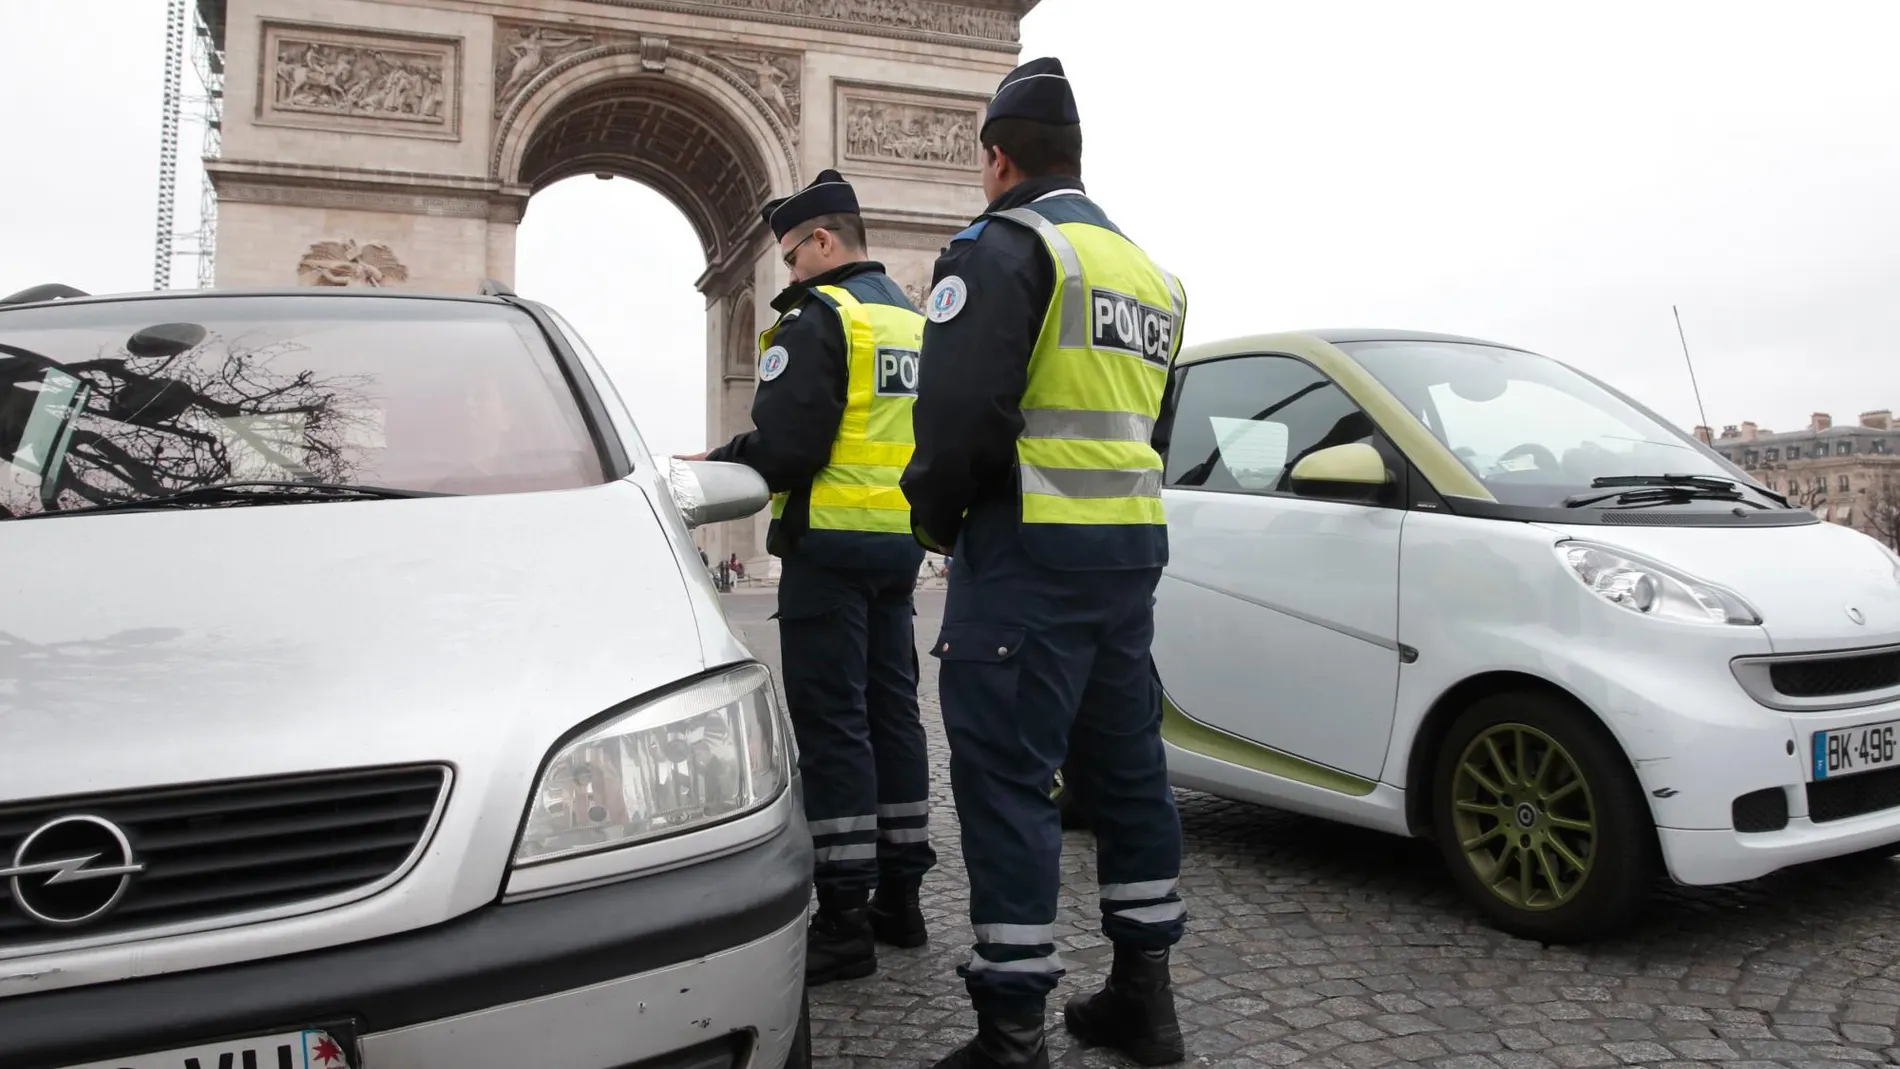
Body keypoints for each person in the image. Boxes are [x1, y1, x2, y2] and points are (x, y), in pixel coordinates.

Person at [899, 57, 1190, 1069]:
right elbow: (1149, 421)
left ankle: (1013, 1030)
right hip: (1128, 555)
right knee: (1127, 771)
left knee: (1008, 778)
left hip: (1026, 551)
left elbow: (958, 416)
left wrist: (936, 521)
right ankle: (1145, 1001)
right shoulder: (1153, 276)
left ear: (996, 157)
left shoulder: (1001, 247)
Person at [677, 169, 937, 986]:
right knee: (896, 718)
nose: (784, 274)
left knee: (833, 730)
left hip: (827, 549)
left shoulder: (821, 317)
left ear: (823, 242)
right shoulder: (917, 322)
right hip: (899, 546)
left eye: (790, 257)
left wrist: (713, 464)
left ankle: (846, 917)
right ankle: (902, 895)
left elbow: (787, 448)